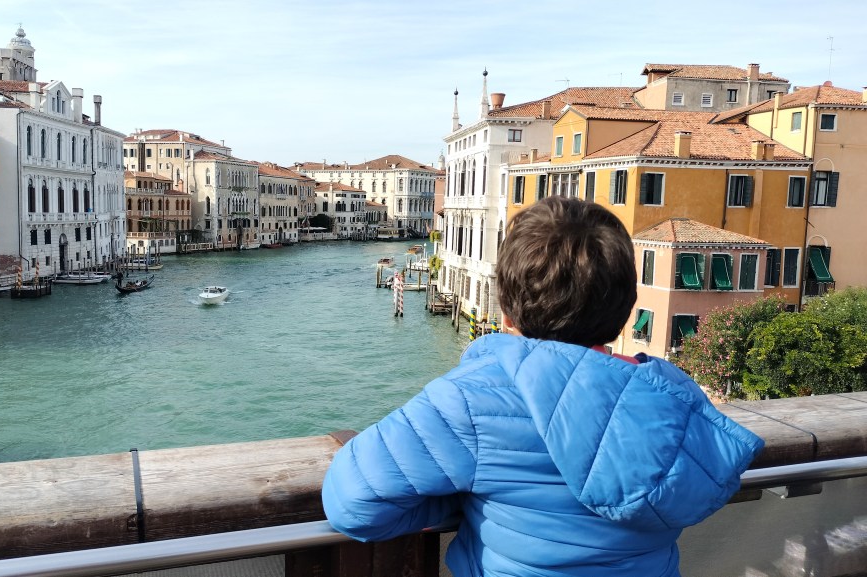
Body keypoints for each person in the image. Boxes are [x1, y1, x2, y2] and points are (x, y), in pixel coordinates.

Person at [321, 196, 764, 577]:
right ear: (627, 310)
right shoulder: (676, 399)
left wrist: (458, 505)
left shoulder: (471, 401)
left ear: (506, 309)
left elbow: (352, 505)